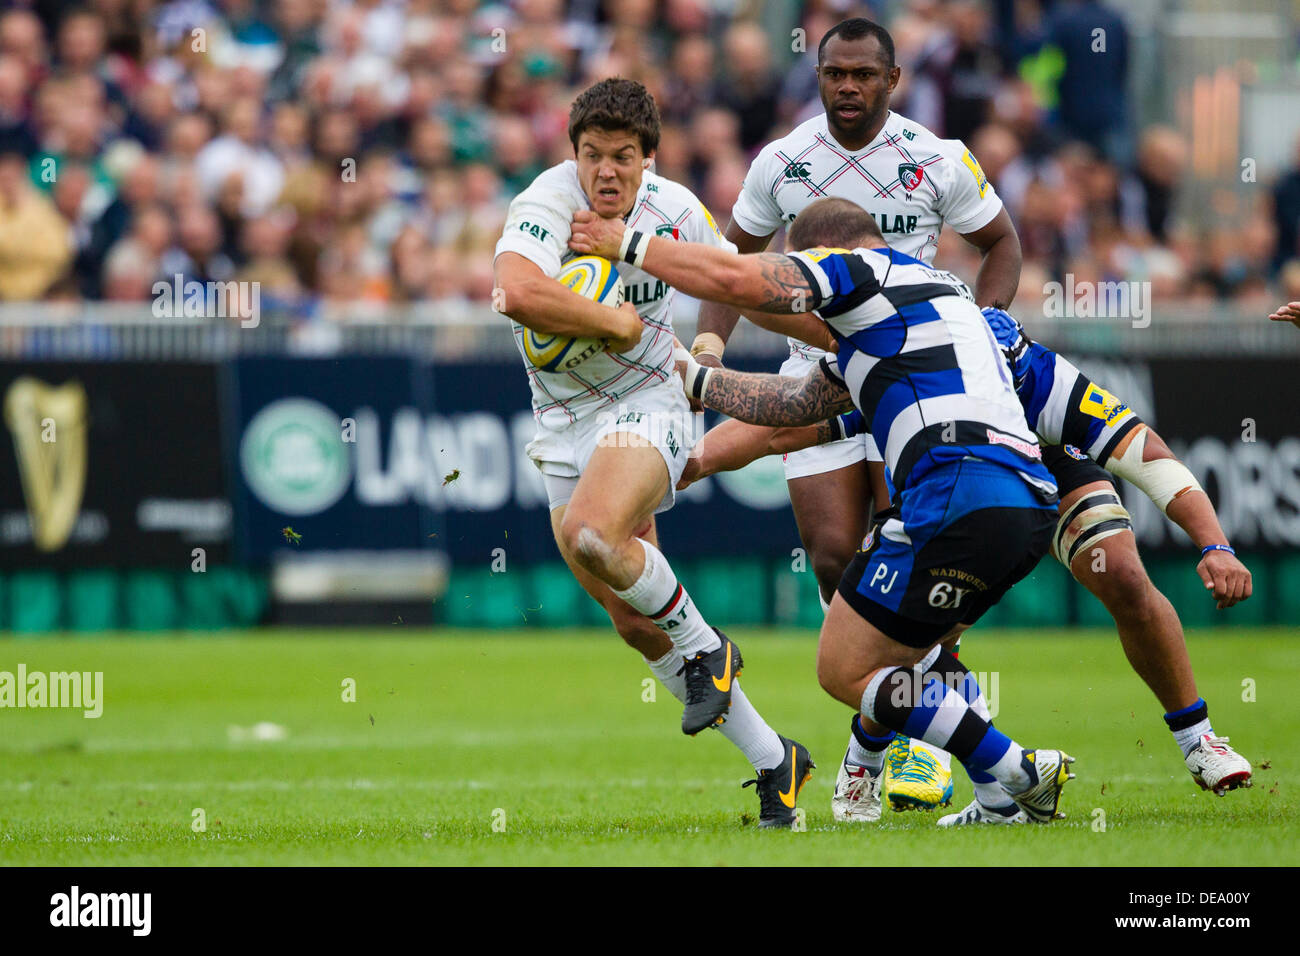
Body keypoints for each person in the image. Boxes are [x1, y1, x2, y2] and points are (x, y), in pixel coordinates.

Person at [571, 195, 1076, 824]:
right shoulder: (925, 306)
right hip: (1024, 506)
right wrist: (694, 402)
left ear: (822, 256)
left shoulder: (861, 273)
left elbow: (737, 277)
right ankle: (1001, 796)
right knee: (914, 650)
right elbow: (797, 411)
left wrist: (629, 246)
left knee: (844, 667)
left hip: (956, 489)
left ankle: (1019, 770)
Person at [676, 304, 1255, 821]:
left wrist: (1215, 544)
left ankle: (1196, 739)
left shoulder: (1037, 373)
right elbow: (785, 429)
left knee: (1123, 575)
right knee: (905, 645)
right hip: (974, 484)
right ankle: (944, 778)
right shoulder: (913, 366)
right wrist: (692, 463)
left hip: (1043, 469)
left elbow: (1144, 453)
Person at [690, 16, 1023, 811]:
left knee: (910, 553)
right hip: (817, 372)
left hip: (907, 373)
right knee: (838, 559)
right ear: (818, 75)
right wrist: (706, 345)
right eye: (834, 73)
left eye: (862, 75)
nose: (846, 87)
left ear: (891, 80)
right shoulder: (783, 162)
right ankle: (904, 730)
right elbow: (734, 265)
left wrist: (988, 321)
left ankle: (910, 749)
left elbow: (1001, 242)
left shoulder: (936, 159)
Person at [491, 78, 813, 828]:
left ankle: (711, 651)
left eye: (624, 158)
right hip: (562, 422)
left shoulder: (673, 209)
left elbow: (734, 274)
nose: (606, 172)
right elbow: (515, 292)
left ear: (648, 161)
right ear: (574, 154)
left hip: (649, 403)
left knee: (592, 535)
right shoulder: (544, 201)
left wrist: (706, 343)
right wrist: (615, 319)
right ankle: (777, 763)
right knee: (635, 623)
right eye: (593, 155)